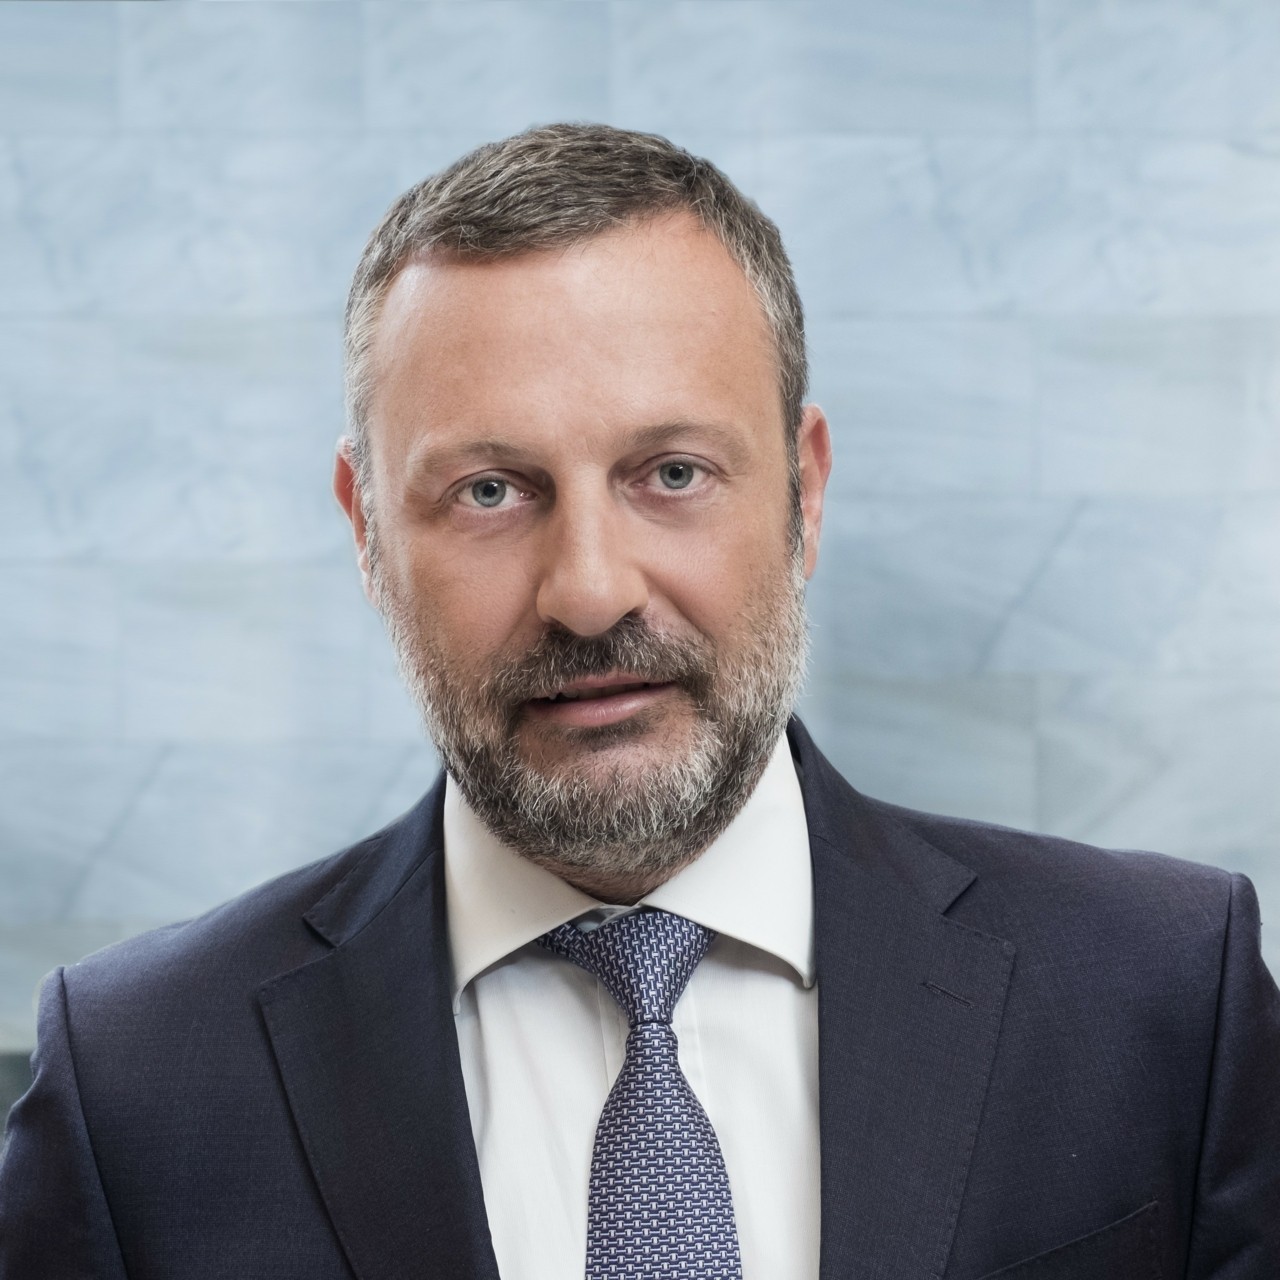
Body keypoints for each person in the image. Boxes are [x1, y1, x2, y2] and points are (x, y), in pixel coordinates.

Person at [1, 122, 1277, 1280]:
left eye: (670, 472)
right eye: (489, 491)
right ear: (366, 531)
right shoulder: (135, 1081)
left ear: (804, 493)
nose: (588, 590)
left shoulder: (1161, 996)